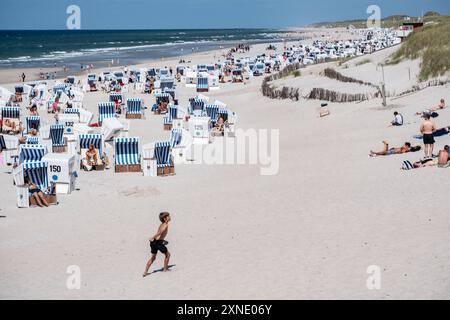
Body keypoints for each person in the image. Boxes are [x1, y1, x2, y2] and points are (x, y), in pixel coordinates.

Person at [143, 212, 172, 277]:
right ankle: (165, 269)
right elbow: (160, 232)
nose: (170, 217)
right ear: (165, 218)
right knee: (168, 254)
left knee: (153, 258)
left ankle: (145, 272)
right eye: (168, 216)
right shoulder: (165, 225)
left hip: (154, 242)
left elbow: (160, 235)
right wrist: (153, 237)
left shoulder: (162, 224)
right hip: (157, 242)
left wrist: (163, 240)